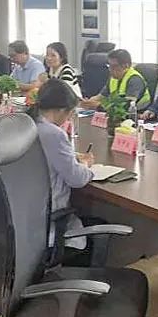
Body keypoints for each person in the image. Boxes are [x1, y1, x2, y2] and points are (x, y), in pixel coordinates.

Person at [30, 78, 94, 249]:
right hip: (48, 219)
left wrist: (70, 155)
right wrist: (86, 164)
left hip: (23, 215)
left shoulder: (26, 122)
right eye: (70, 113)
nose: (69, 118)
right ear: (61, 110)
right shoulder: (53, 133)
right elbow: (77, 179)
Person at [80, 49, 151, 110]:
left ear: (126, 66)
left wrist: (98, 105)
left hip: (139, 115)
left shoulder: (135, 80)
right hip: (117, 114)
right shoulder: (113, 78)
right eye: (109, 65)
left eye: (114, 66)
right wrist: (88, 102)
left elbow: (127, 106)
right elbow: (101, 96)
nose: (110, 69)